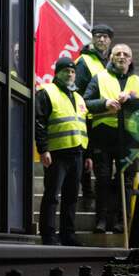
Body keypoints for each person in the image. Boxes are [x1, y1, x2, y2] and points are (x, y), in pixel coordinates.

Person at [83, 43, 139, 234]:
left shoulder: (138, 82)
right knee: (102, 180)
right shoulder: (99, 78)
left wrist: (131, 101)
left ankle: (122, 222)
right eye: (117, 53)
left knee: (126, 182)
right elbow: (85, 103)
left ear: (131, 59)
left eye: (125, 54)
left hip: (129, 140)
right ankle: (101, 221)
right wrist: (105, 103)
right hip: (103, 138)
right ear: (111, 57)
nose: (121, 56)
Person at [35, 57, 90, 246]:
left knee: (71, 197)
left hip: (77, 153)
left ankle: (68, 234)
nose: (70, 74)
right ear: (57, 73)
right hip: (57, 153)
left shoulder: (79, 97)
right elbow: (39, 122)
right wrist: (43, 149)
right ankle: (48, 235)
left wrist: (87, 155)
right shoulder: (46, 93)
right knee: (52, 195)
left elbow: (84, 126)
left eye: (72, 71)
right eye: (66, 70)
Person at [75, 24, 114, 200]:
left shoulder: (111, 62)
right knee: (85, 156)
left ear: (110, 40)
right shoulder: (84, 61)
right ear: (92, 38)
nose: (101, 39)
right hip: (86, 116)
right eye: (98, 36)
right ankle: (87, 194)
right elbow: (79, 92)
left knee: (97, 162)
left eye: (105, 37)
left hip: (103, 117)